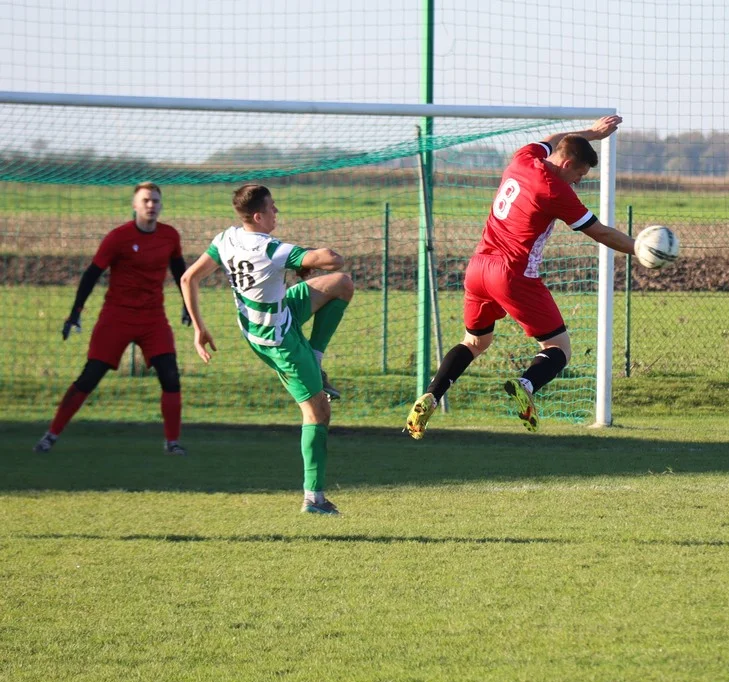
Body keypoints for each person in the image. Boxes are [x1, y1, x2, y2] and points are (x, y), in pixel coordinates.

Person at [406, 115, 638, 439]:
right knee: (559, 346)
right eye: (579, 175)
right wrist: (639, 248)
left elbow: (556, 136)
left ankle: (431, 394)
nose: (578, 182)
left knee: (474, 341)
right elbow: (599, 232)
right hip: (513, 275)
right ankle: (525, 384)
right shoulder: (555, 190)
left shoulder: (523, 158)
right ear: (568, 163)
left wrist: (592, 134)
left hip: (477, 268)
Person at [180, 184, 353, 515]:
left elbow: (189, 279)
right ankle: (314, 499)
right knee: (317, 412)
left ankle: (315, 360)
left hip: (272, 317)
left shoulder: (225, 240)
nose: (277, 213)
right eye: (273, 208)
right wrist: (310, 256)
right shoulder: (270, 248)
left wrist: (199, 328)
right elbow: (332, 259)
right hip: (278, 340)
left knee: (341, 285)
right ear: (258, 216)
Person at [34, 182, 191, 454]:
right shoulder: (118, 238)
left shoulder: (169, 236)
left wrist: (188, 305)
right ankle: (51, 434)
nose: (151, 205)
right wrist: (75, 313)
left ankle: (173, 443)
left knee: (170, 376)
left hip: (153, 319)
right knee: (90, 376)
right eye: (145, 201)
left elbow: (181, 273)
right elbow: (91, 275)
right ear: (135, 205)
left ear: (161, 204)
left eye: (155, 200)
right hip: (116, 318)